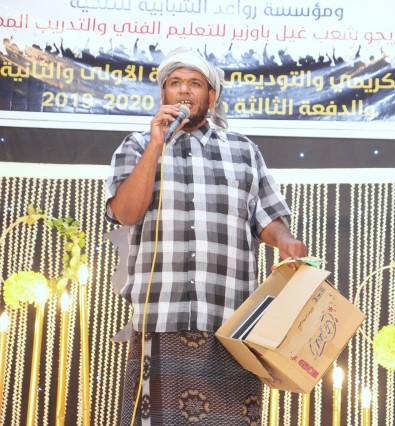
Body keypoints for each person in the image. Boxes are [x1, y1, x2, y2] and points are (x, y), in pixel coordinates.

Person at [105, 47, 307, 425]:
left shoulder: (243, 151)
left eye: (194, 84)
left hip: (231, 325)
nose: (184, 90)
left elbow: (267, 217)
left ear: (211, 97)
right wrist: (156, 143)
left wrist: (286, 242)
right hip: (161, 320)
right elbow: (126, 212)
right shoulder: (137, 145)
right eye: (175, 83)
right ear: (163, 94)